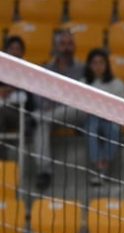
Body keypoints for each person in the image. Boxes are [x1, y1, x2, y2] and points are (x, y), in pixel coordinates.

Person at [32, 29, 86, 190]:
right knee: (42, 124)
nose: (67, 47)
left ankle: (38, 117)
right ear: (56, 47)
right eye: (63, 44)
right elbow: (39, 96)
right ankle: (44, 171)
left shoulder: (83, 69)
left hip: (76, 113)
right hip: (53, 115)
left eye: (70, 44)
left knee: (41, 118)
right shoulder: (47, 70)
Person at [82, 49, 124, 186]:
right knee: (93, 125)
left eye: (101, 62)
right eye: (94, 63)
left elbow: (123, 108)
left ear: (107, 65)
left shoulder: (117, 84)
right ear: (89, 65)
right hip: (90, 121)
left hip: (111, 121)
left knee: (113, 128)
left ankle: (102, 166)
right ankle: (101, 166)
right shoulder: (82, 83)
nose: (98, 66)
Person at [0, 36, 33, 160]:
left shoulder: (28, 72)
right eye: (11, 48)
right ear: (6, 51)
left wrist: (11, 89)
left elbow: (30, 101)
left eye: (17, 49)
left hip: (22, 113)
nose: (14, 51)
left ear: (22, 52)